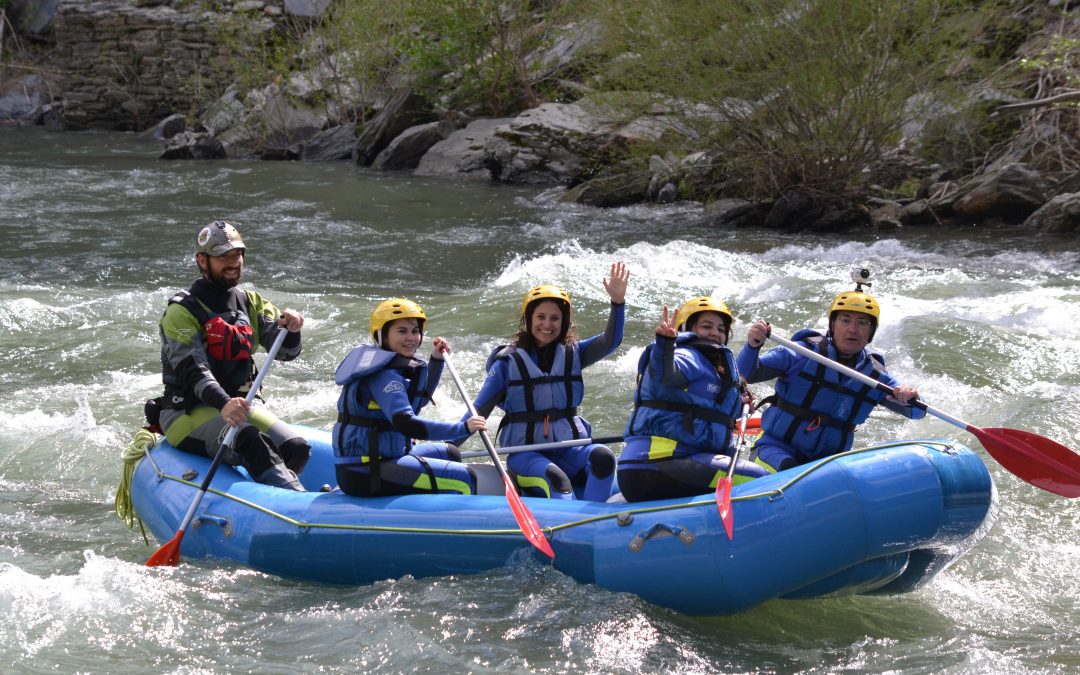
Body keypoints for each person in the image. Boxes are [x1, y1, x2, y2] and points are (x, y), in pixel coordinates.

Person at [157, 220, 309, 491]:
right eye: (223, 256)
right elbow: (193, 371)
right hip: (187, 412)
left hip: (240, 408)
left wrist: (292, 329)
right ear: (202, 261)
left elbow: (286, 353)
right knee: (250, 439)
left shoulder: (251, 302)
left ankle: (273, 497)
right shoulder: (181, 311)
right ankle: (297, 501)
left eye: (237, 254)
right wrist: (224, 403)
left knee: (295, 447)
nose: (233, 263)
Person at [464, 262, 630, 501]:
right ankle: (574, 519)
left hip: (570, 447)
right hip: (526, 454)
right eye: (540, 317)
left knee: (604, 458)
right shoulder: (508, 363)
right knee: (556, 479)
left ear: (564, 322)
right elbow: (478, 410)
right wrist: (448, 446)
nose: (547, 324)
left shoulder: (574, 353)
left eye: (555, 318)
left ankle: (599, 517)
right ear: (528, 319)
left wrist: (617, 302)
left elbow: (610, 341)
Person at [737, 277, 925, 472]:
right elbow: (742, 375)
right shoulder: (801, 353)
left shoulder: (875, 376)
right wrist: (753, 346)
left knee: (818, 479)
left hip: (824, 466)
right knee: (790, 470)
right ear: (833, 325)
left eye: (862, 323)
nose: (853, 329)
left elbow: (917, 412)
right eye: (845, 320)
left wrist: (910, 395)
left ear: (871, 332)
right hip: (775, 450)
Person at [333, 298, 488, 497]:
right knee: (465, 479)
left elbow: (419, 400)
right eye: (402, 331)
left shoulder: (390, 368)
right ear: (382, 335)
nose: (411, 337)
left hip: (384, 457)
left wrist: (436, 361)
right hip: (366, 471)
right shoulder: (383, 376)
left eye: (415, 331)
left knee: (450, 453)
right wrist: (463, 428)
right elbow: (407, 423)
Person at [618, 297, 768, 502]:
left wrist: (738, 405)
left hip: (661, 465)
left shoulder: (711, 368)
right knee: (760, 479)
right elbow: (665, 373)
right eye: (706, 326)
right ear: (686, 329)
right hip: (658, 463)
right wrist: (665, 344)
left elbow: (708, 411)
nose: (715, 333)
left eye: (721, 329)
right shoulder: (687, 355)